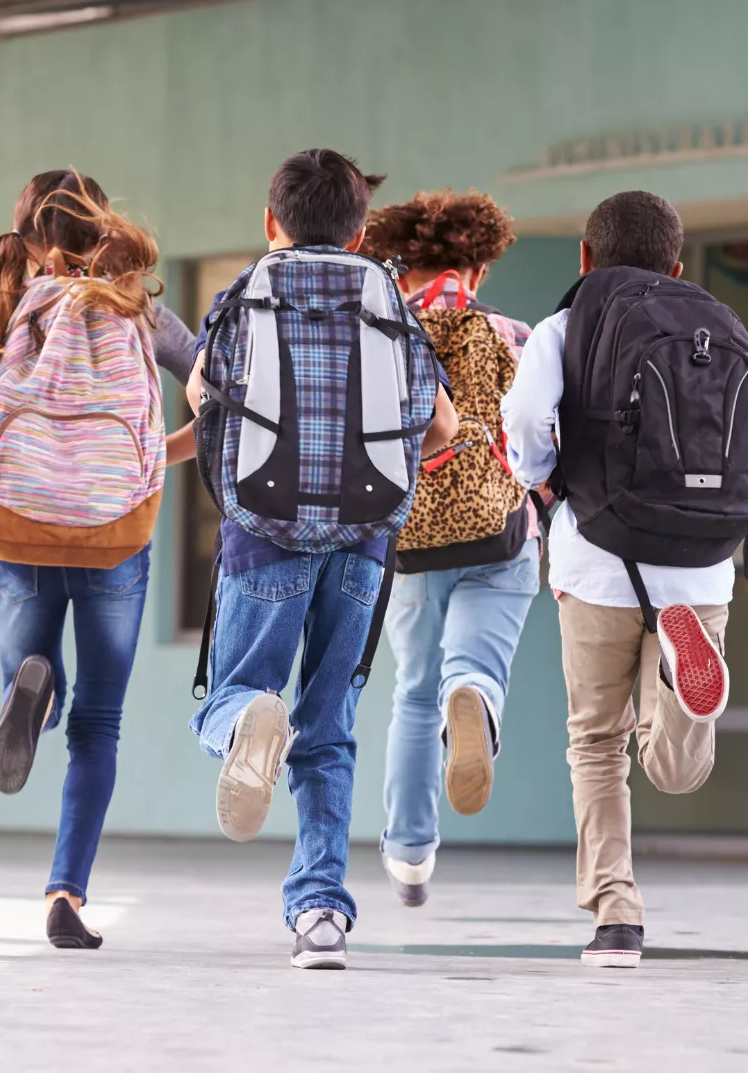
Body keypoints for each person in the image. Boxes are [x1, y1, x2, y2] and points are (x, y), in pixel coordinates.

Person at [502, 191, 748, 968]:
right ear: (677, 263)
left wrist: (541, 479)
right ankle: (681, 689)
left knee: (597, 744)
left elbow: (527, 418)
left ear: (585, 259)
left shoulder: (565, 327)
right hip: (700, 572)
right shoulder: (715, 323)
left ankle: (616, 914)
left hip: (595, 560)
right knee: (676, 768)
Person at [185, 150, 458, 969]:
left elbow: (203, 395)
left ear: (272, 224)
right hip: (365, 539)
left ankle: (244, 723)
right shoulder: (389, 298)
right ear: (362, 228)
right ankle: (320, 917)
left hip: (264, 531)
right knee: (330, 723)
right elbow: (439, 424)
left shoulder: (247, 294)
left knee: (231, 695)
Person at [0, 170, 197, 951]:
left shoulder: (7, 307)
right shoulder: (137, 305)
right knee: (100, 725)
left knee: (29, 675)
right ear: (102, 229)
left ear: (29, 238)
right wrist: (157, 459)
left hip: (22, 524)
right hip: (116, 528)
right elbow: (214, 386)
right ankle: (67, 893)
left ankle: (31, 691)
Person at [358, 190, 538, 907]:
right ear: (481, 265)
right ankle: (478, 698)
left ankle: (408, 854)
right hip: (496, 531)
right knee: (474, 667)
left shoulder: (383, 335)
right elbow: (538, 438)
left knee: (412, 693)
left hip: (409, 540)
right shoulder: (510, 334)